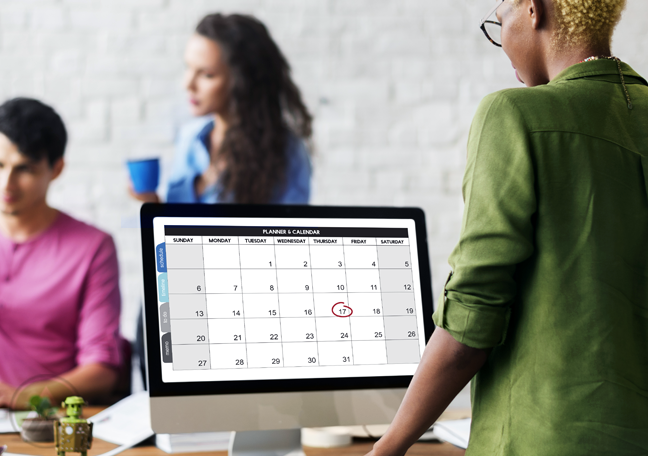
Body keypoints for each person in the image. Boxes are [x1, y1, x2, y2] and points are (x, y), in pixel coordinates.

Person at [367, 0, 648, 455]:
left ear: (533, 10)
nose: (502, 44)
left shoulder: (514, 115)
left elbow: (471, 319)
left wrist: (389, 445)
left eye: (499, 21)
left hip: (547, 441)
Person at [0, 98, 122, 409]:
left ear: (56, 168)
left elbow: (101, 369)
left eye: (24, 168)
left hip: (48, 418)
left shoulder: (92, 247)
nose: (6, 183)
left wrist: (28, 397)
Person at [130, 13, 313, 205]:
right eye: (188, 68)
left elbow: (288, 233)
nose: (188, 84)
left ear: (241, 80)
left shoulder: (286, 151)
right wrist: (153, 206)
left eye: (207, 75)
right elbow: (177, 229)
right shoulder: (190, 139)